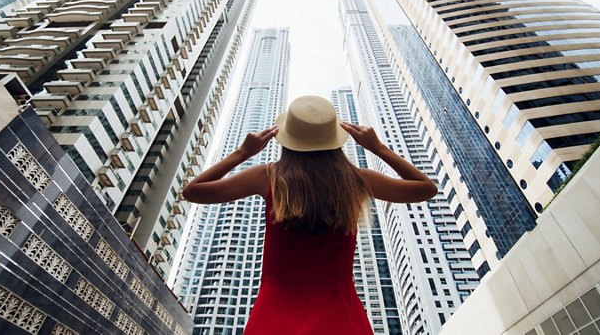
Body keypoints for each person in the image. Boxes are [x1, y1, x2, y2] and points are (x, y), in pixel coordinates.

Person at [183, 95, 437, 334]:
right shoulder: (358, 181)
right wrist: (378, 148)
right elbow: (426, 189)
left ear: (287, 138)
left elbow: (193, 191)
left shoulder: (269, 177)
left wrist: (243, 152)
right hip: (340, 311)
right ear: (335, 140)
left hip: (274, 310)